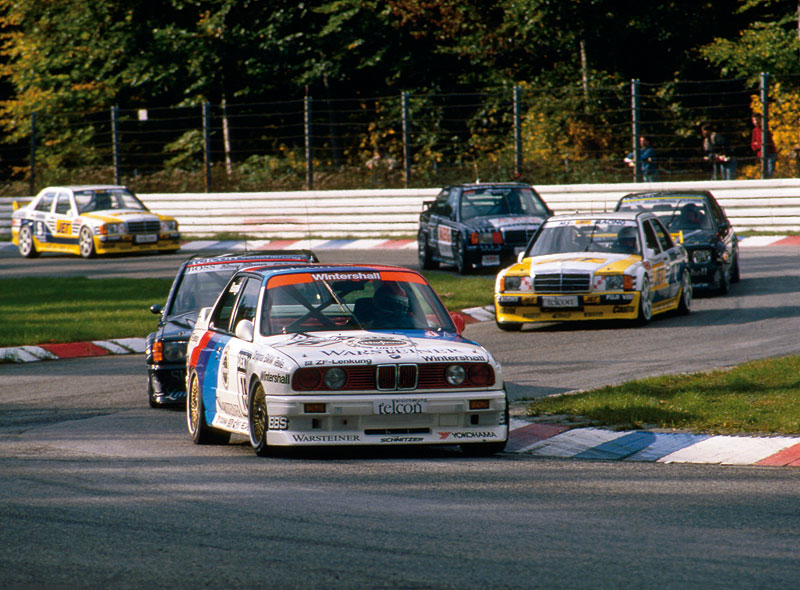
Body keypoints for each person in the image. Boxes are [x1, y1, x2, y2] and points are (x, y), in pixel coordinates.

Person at [750, 114, 777, 179]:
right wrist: (760, 145)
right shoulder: (755, 130)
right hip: (761, 154)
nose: (756, 122)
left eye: (757, 120)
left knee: (770, 172)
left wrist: (758, 144)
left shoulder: (766, 129)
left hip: (770, 153)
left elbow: (767, 143)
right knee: (764, 172)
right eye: (754, 120)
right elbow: (753, 145)